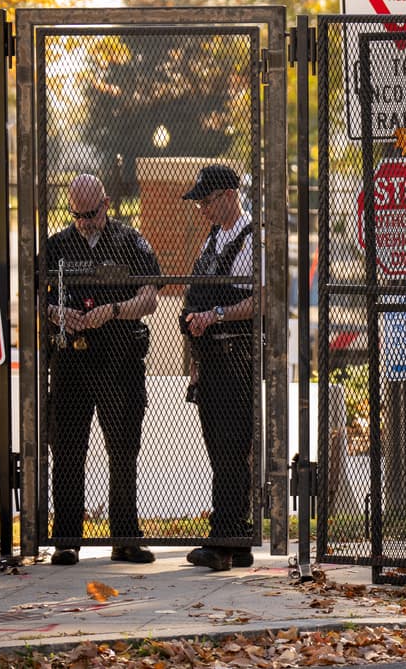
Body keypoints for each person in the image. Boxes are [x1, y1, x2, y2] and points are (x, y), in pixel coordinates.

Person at [45, 174, 161, 566]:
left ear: (106, 204)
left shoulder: (130, 241)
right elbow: (34, 298)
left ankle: (125, 538)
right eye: (76, 215)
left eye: (91, 214)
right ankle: (66, 539)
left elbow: (149, 298)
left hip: (118, 358)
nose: (84, 222)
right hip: (71, 361)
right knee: (67, 449)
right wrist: (58, 313)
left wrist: (112, 311)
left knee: (123, 448)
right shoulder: (57, 246)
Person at [180, 164, 258, 572]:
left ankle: (223, 540)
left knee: (230, 447)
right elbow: (197, 293)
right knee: (219, 448)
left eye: (207, 201)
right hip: (210, 358)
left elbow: (260, 300)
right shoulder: (214, 238)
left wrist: (217, 315)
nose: (203, 209)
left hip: (236, 358)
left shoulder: (251, 238)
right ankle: (238, 537)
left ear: (229, 194)